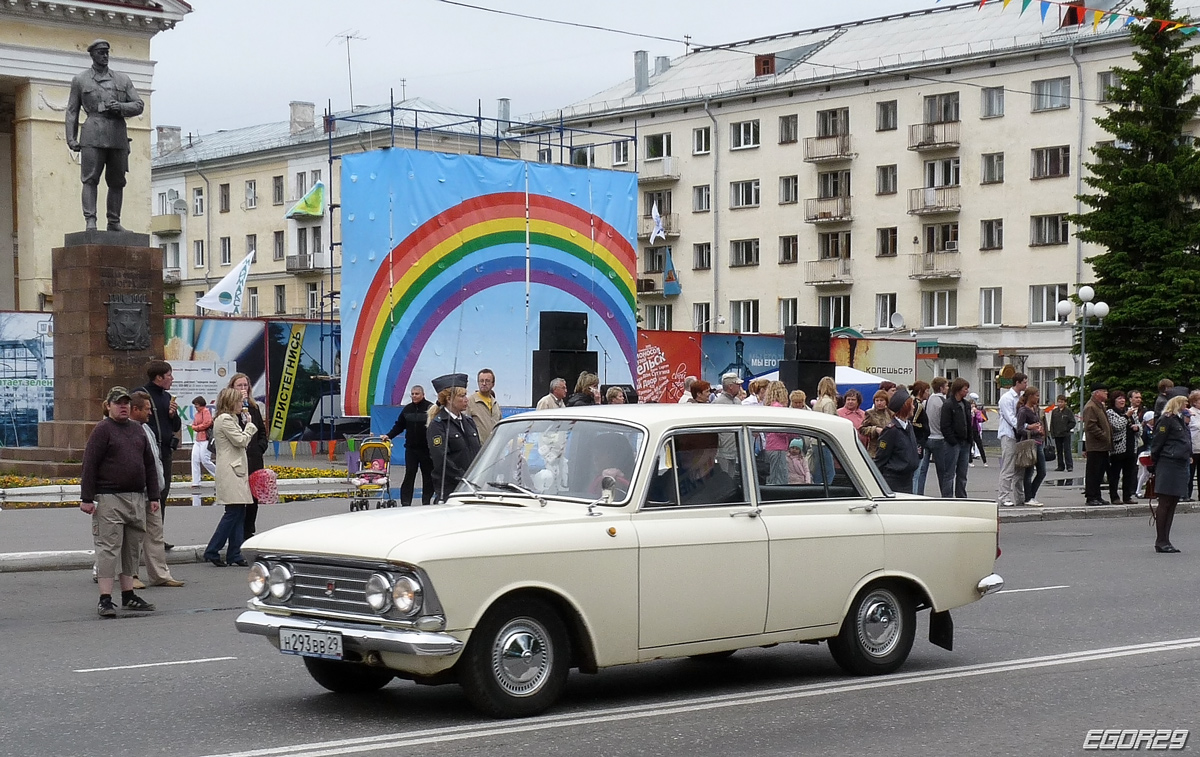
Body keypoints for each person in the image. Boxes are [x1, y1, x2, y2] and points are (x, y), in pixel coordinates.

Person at [80, 386, 159, 617]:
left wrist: (153, 495)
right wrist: (87, 498)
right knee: (109, 549)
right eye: (118, 403)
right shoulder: (102, 430)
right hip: (109, 498)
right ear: (109, 406)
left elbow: (149, 464)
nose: (123, 406)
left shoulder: (137, 430)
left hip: (136, 498)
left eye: (126, 403)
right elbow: (90, 465)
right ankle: (105, 599)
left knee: (132, 549)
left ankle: (129, 595)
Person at [64, 39, 144, 232]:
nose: (105, 55)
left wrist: (121, 107)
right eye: (101, 52)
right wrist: (71, 138)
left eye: (107, 52)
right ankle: (90, 220)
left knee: (117, 181)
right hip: (92, 133)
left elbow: (139, 105)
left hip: (117, 134)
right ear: (92, 55)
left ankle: (114, 222)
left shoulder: (122, 80)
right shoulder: (80, 80)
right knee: (90, 179)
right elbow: (72, 111)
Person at [129, 391, 184, 587]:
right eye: (147, 409)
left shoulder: (148, 430)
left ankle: (160, 575)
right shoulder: (127, 430)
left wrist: (156, 490)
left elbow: (154, 463)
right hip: (136, 492)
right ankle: (131, 576)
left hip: (152, 491)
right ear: (135, 410)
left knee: (155, 534)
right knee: (133, 536)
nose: (150, 413)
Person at [203, 388, 256, 567]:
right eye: (240, 401)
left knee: (239, 513)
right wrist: (249, 425)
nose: (243, 404)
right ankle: (212, 549)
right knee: (232, 512)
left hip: (235, 469)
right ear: (231, 402)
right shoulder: (225, 419)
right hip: (231, 470)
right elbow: (241, 441)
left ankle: (235, 553)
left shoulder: (230, 419)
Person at [135, 360, 181, 547]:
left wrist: (172, 415)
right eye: (169, 375)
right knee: (146, 497)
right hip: (148, 454)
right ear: (159, 377)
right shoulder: (141, 395)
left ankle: (156, 537)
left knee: (162, 495)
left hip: (165, 453)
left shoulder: (167, 397)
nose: (172, 379)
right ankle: (140, 538)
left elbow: (176, 426)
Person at [426, 373, 482, 502]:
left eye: (465, 395)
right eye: (462, 396)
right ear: (449, 399)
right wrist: (463, 477)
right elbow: (441, 459)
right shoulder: (438, 425)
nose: (466, 399)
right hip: (451, 489)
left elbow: (477, 451)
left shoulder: (468, 422)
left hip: (473, 486)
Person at [228, 373, 268, 537]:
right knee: (239, 498)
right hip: (238, 459)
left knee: (254, 497)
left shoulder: (254, 407)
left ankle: (249, 530)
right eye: (240, 386)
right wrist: (239, 408)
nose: (243, 389)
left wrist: (260, 447)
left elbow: (262, 433)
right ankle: (237, 532)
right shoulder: (230, 410)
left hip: (254, 457)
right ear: (232, 388)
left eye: (245, 386)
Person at [1150, 395, 1192, 553]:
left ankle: (1166, 539)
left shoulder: (1178, 419)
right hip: (1168, 463)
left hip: (1179, 464)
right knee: (1165, 502)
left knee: (1173, 502)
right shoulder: (1166, 419)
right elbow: (1158, 442)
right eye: (1184, 403)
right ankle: (1161, 540)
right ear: (1178, 403)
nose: (1186, 406)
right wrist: (1154, 463)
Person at [386, 385, 434, 507]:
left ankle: (426, 501)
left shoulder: (430, 408)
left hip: (427, 449)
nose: (414, 396)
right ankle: (406, 502)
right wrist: (389, 436)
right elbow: (399, 425)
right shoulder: (407, 409)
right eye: (412, 394)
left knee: (428, 476)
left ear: (423, 395)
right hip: (411, 449)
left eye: (417, 394)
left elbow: (436, 426)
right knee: (409, 474)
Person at [874, 387, 920, 494]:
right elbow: (881, 458)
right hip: (894, 480)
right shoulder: (891, 430)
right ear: (905, 407)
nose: (913, 407)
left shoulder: (909, 426)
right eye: (911, 404)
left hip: (907, 478)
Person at [997, 372, 1028, 507]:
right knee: (1008, 467)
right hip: (1009, 435)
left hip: (1019, 435)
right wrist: (1027, 426)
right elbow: (1012, 419)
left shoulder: (1021, 397)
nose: (1026, 384)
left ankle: (1019, 497)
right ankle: (1003, 496)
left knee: (1020, 468)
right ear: (1018, 383)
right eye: (1024, 382)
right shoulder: (1007, 398)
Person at [940, 377, 973, 498]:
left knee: (962, 473)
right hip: (953, 443)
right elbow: (945, 426)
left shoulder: (966, 404)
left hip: (965, 442)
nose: (967, 391)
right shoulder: (948, 405)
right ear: (958, 390)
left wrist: (970, 440)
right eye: (965, 389)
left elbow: (969, 423)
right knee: (949, 472)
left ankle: (961, 496)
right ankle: (947, 497)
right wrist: (952, 441)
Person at [1082, 384, 1113, 506]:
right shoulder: (1091, 407)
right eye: (1104, 391)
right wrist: (1104, 435)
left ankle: (1097, 495)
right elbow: (1090, 426)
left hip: (1102, 446)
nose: (1107, 394)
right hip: (1095, 445)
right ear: (1097, 393)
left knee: (1099, 472)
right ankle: (1091, 496)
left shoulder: (1099, 406)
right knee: (1093, 472)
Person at [1015, 387, 1046, 507]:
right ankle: (1029, 497)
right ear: (1030, 396)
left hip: (1038, 442)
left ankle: (1031, 495)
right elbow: (1019, 429)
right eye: (1036, 396)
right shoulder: (1023, 411)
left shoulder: (1035, 409)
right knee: (1029, 471)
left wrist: (1041, 431)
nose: (1038, 398)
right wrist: (1034, 430)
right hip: (1030, 443)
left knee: (1041, 472)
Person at [1106, 391, 1138, 505]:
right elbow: (1117, 426)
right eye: (1119, 399)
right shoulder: (1110, 412)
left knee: (1129, 474)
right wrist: (1126, 416)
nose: (1122, 401)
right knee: (1115, 474)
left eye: (1123, 399)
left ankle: (1127, 496)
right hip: (1118, 448)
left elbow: (1140, 426)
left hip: (1131, 447)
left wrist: (1137, 428)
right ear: (1114, 401)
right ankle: (1114, 497)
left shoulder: (1130, 411)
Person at [920, 377, 949, 496]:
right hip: (939, 438)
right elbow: (945, 422)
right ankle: (945, 495)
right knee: (943, 471)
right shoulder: (943, 402)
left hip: (927, 438)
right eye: (946, 386)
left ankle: (918, 493)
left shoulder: (927, 401)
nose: (948, 388)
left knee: (922, 470)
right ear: (941, 388)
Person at [188, 396, 217, 507]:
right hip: (198, 439)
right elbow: (196, 424)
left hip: (205, 439)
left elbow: (207, 423)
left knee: (205, 459)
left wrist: (196, 427)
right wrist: (196, 427)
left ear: (201, 404)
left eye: (196, 404)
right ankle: (196, 482)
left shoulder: (206, 412)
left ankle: (218, 475)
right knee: (195, 459)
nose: (195, 406)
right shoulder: (197, 414)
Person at [762, 381, 791, 484]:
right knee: (779, 478)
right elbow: (780, 430)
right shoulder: (779, 408)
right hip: (778, 447)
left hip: (770, 445)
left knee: (772, 476)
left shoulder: (769, 407)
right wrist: (792, 432)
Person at [466, 369, 502, 445]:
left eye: (487, 381)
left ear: (493, 384)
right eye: (481, 381)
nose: (484, 383)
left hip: (493, 447)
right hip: (478, 449)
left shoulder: (495, 404)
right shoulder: (470, 402)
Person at [909, 381, 932, 492]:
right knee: (916, 473)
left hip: (919, 440)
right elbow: (912, 422)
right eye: (927, 391)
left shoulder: (917, 404)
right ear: (920, 392)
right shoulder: (918, 405)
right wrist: (924, 427)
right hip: (918, 441)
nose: (928, 393)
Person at [860, 389, 893, 456]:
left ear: (886, 402)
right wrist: (875, 429)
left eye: (881, 400)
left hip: (889, 448)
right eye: (877, 400)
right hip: (875, 449)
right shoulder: (870, 413)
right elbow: (862, 429)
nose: (879, 403)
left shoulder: (890, 413)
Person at [1049, 394, 1076, 473]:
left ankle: (1069, 466)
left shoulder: (1068, 411)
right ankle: (1060, 466)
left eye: (1062, 402)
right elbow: (1052, 423)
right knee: (1059, 451)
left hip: (1065, 434)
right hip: (1057, 434)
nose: (1060, 403)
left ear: (1065, 403)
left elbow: (1072, 422)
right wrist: (1052, 433)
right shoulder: (1055, 412)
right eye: (1059, 402)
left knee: (1067, 450)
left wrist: (1066, 428)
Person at [968, 394, 988, 467]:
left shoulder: (977, 412)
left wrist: (976, 414)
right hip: (969, 431)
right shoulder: (968, 412)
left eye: (974, 406)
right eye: (972, 406)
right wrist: (971, 414)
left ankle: (985, 461)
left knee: (980, 445)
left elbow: (980, 420)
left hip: (976, 430)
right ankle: (970, 461)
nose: (973, 407)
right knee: (969, 446)